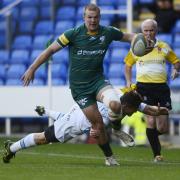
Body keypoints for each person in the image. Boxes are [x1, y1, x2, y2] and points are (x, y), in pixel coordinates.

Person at [21, 4, 137, 165]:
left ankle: (116, 128)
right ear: (84, 18)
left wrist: (145, 38)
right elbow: (50, 51)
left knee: (116, 105)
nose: (92, 20)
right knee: (97, 125)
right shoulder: (73, 33)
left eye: (95, 17)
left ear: (99, 18)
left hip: (98, 81)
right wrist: (32, 68)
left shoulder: (108, 32)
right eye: (89, 17)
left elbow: (130, 37)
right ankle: (109, 157)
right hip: (80, 88)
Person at [2, 91, 169, 165]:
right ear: (125, 105)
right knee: (43, 138)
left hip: (82, 109)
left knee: (63, 119)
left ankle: (45, 111)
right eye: (133, 109)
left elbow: (144, 108)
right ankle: (12, 147)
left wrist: (159, 111)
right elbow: (97, 134)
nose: (134, 113)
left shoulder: (119, 96)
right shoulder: (105, 118)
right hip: (77, 122)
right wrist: (95, 134)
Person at [124, 19, 180, 162]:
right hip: (143, 87)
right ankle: (157, 154)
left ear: (156, 31)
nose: (148, 33)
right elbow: (128, 65)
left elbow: (176, 61)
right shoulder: (137, 47)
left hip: (161, 88)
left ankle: (152, 137)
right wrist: (129, 82)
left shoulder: (163, 47)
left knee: (162, 127)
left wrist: (175, 69)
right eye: (145, 30)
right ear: (142, 32)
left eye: (151, 30)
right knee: (150, 120)